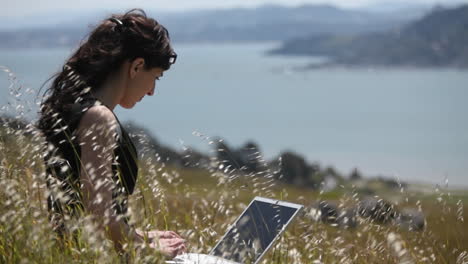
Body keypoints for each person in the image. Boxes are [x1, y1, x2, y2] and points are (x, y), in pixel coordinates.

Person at [37, 9, 186, 258]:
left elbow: (83, 213)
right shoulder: (99, 118)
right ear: (137, 66)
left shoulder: (76, 108)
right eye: (156, 77)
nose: (151, 92)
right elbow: (99, 213)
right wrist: (149, 251)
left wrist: (139, 236)